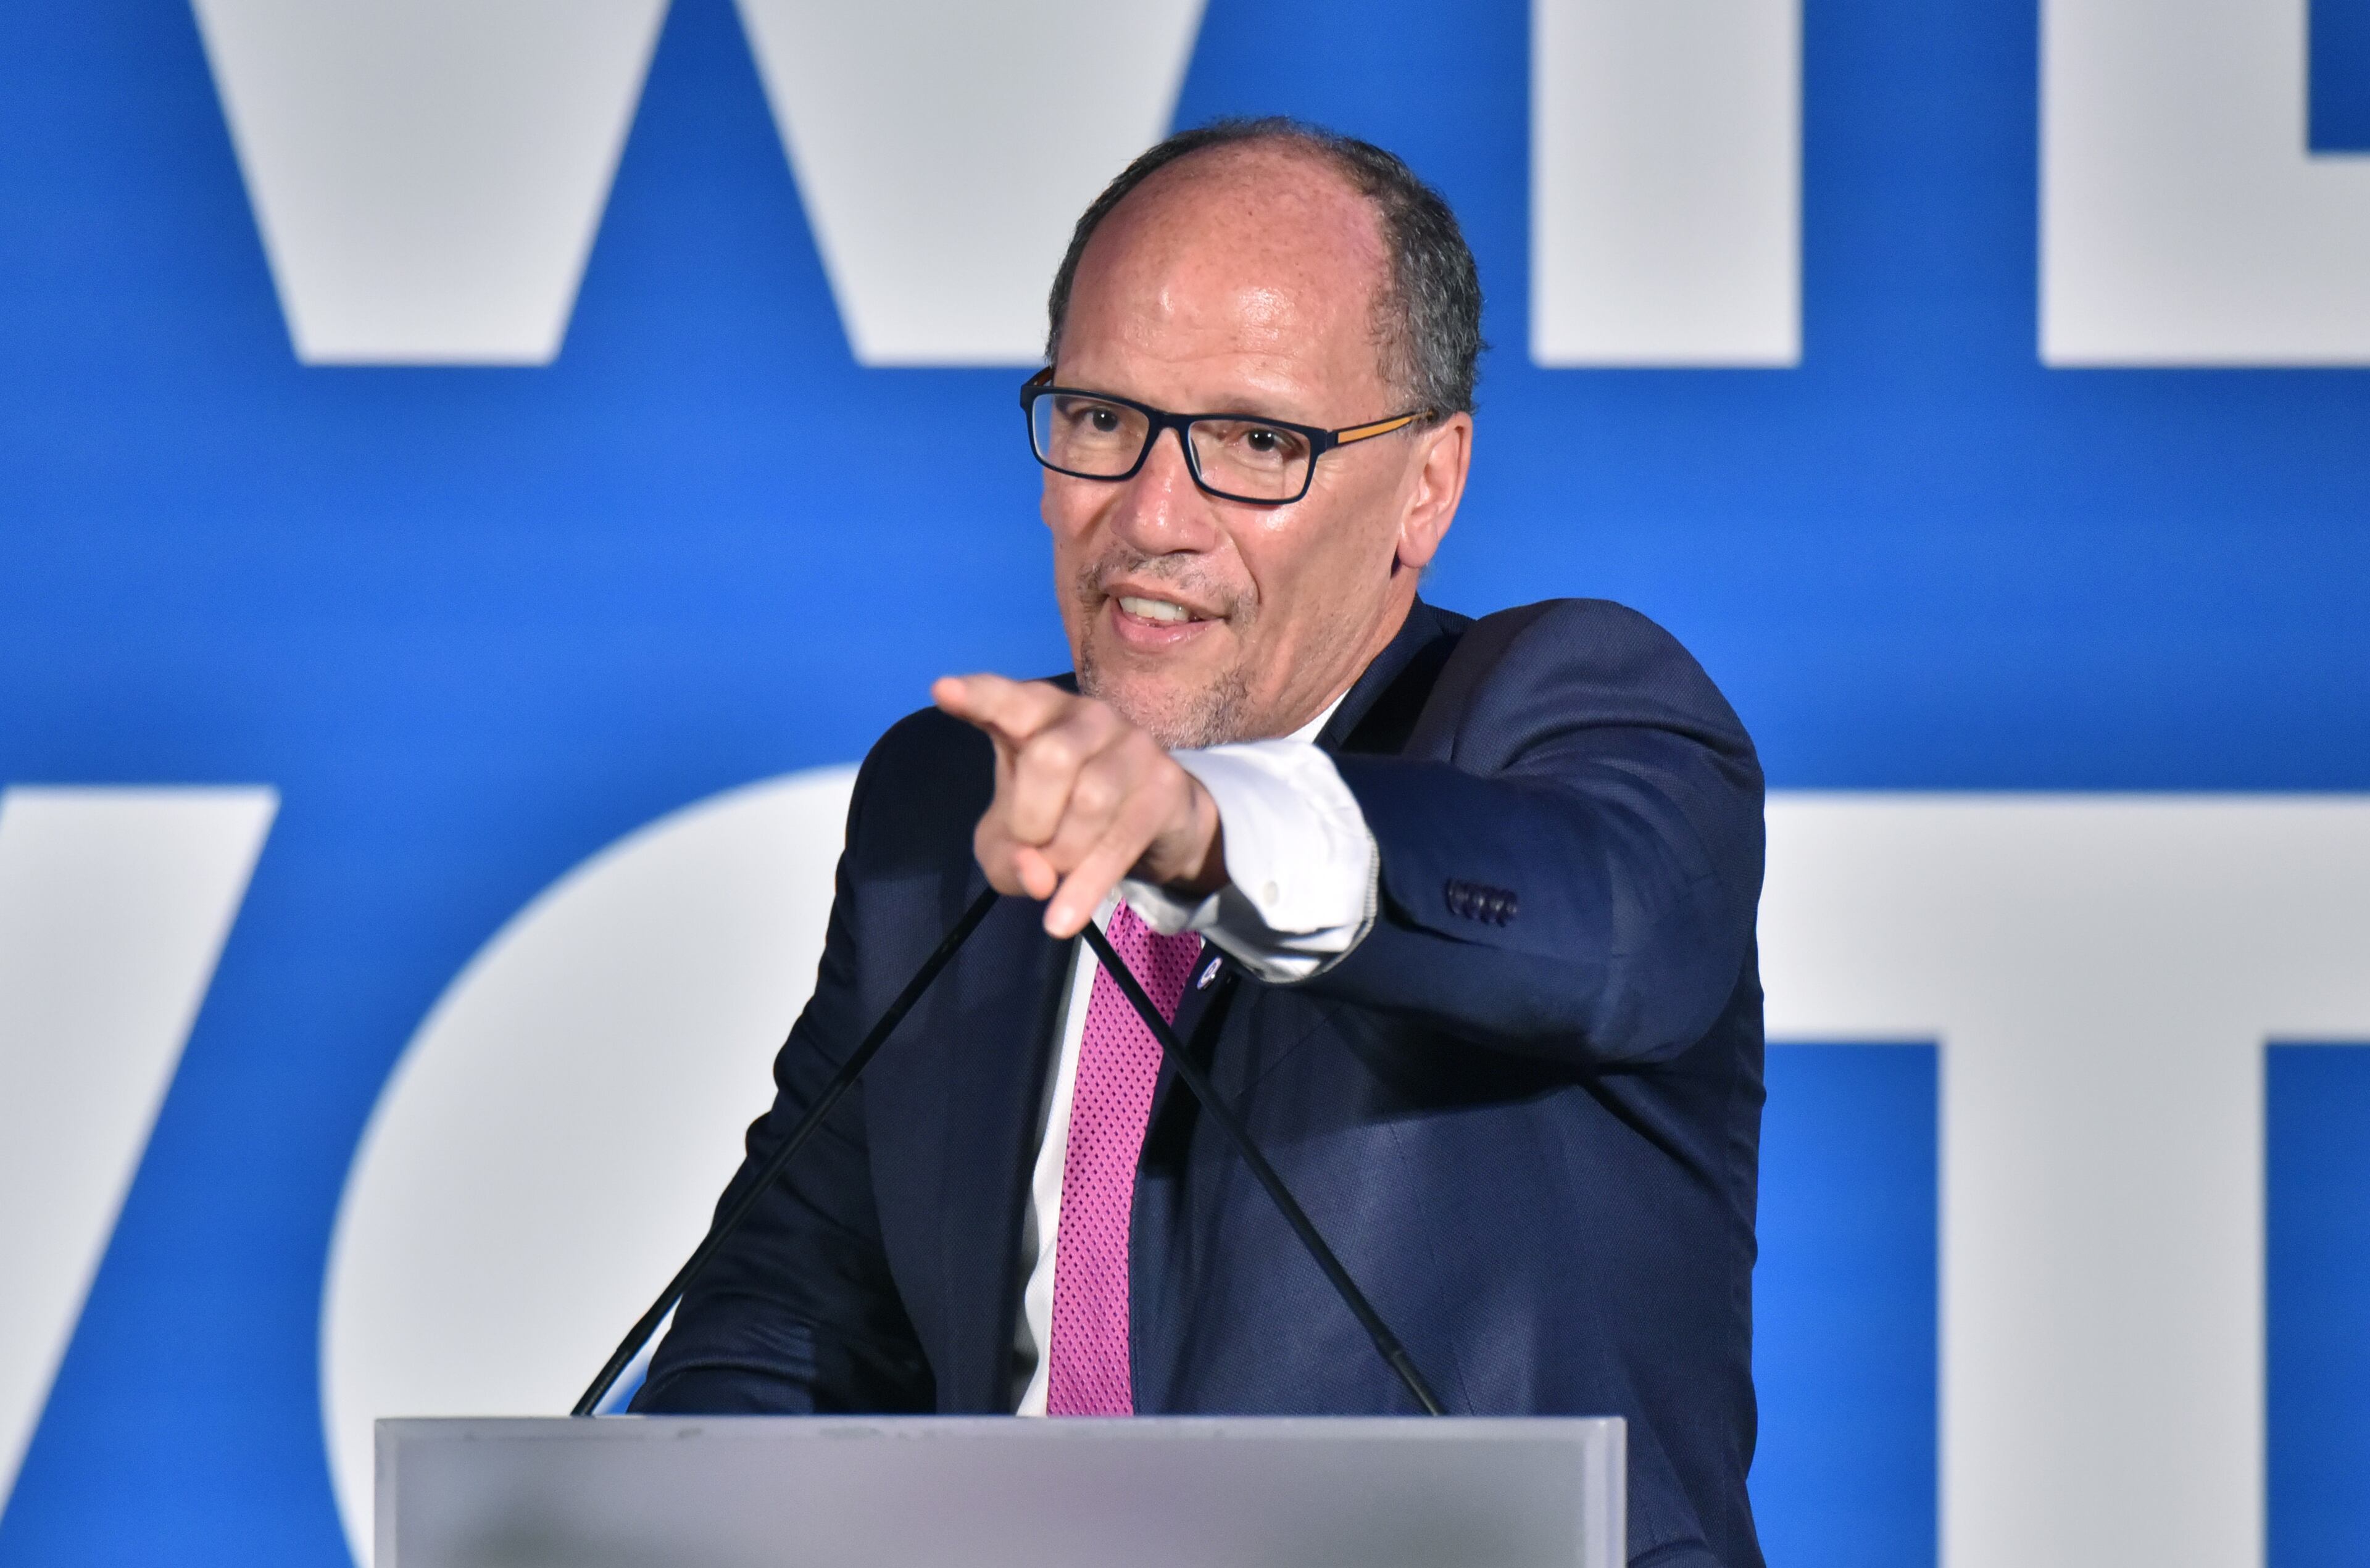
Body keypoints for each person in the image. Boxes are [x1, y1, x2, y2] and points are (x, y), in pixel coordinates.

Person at [635, 118, 1766, 1568]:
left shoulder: (1570, 717)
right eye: (1104, 419)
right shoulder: (951, 807)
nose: (1153, 516)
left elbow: (1602, 925)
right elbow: (794, 1310)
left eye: (1254, 441)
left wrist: (1203, 827)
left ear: (1427, 485)